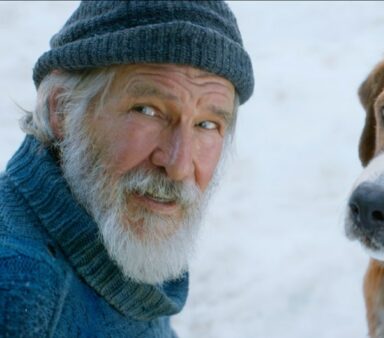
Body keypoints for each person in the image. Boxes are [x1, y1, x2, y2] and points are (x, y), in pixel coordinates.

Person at [0, 1, 253, 336]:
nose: (178, 166)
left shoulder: (119, 244)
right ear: (62, 109)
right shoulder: (20, 290)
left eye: (207, 124)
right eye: (147, 110)